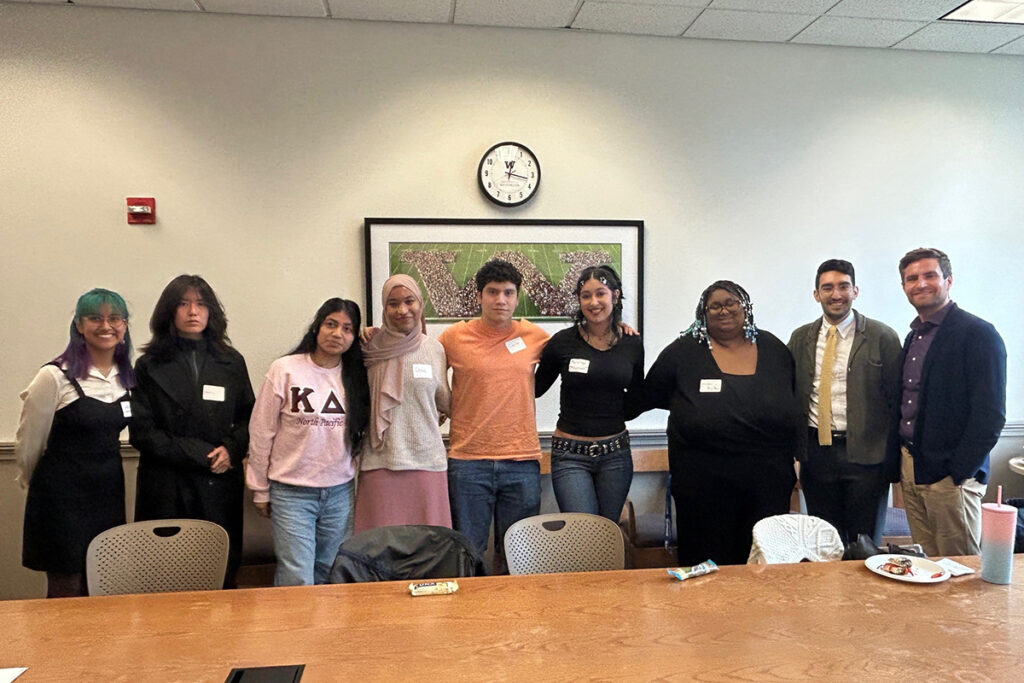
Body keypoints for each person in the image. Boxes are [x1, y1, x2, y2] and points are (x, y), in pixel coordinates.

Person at [642, 280, 803, 566]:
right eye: (714, 305)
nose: (723, 310)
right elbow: (646, 396)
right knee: (706, 564)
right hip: (702, 488)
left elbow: (795, 404)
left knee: (762, 561)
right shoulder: (683, 352)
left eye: (732, 303)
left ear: (746, 308)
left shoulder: (774, 349)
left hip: (767, 485)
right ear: (702, 312)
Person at [130, 274, 254, 588]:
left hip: (218, 481)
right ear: (169, 312)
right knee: (163, 576)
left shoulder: (231, 362)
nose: (193, 312)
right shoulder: (148, 365)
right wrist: (201, 454)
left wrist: (230, 448)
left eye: (200, 304)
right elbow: (142, 432)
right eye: (183, 304)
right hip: (166, 485)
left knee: (219, 575)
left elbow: (250, 419)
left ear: (212, 311)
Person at [16, 288, 135, 598]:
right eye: (95, 318)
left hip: (108, 494)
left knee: (100, 584)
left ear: (125, 327)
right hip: (61, 499)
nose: (106, 326)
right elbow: (29, 443)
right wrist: (38, 488)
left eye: (115, 318)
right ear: (79, 325)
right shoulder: (54, 376)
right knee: (66, 588)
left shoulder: (128, 379)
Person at [891, 248, 1006, 556]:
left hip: (950, 477)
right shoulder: (914, 337)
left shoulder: (978, 334)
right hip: (912, 468)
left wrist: (959, 472)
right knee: (926, 561)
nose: (921, 284)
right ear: (904, 287)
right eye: (911, 278)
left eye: (930, 275)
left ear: (948, 280)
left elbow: (990, 415)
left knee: (961, 570)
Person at [246, 298, 369, 586]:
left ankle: (325, 631)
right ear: (317, 326)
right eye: (331, 324)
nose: (338, 333)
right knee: (296, 576)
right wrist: (259, 489)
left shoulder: (357, 376)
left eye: (348, 328)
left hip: (339, 493)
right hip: (292, 492)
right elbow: (261, 431)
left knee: (330, 570)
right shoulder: (285, 369)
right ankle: (294, 631)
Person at [438, 259, 549, 571]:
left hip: (521, 461)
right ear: (479, 296)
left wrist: (618, 328)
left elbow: (579, 346)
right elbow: (418, 360)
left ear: (517, 297)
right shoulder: (453, 337)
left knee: (519, 554)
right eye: (493, 292)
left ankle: (515, 617)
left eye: (508, 293)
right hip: (467, 462)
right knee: (467, 550)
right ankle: (469, 618)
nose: (501, 300)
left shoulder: (535, 336)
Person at [788, 259, 901, 545]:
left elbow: (896, 400)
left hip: (867, 456)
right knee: (825, 541)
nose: (836, 294)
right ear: (816, 294)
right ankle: (829, 592)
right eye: (827, 287)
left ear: (855, 291)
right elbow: (789, 392)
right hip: (816, 454)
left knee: (864, 543)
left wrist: (892, 460)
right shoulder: (801, 338)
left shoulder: (882, 336)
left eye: (843, 286)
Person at [535, 265, 644, 522]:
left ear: (615, 296)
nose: (593, 302)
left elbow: (637, 396)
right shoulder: (563, 341)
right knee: (584, 534)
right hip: (570, 455)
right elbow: (535, 388)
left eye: (600, 294)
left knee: (608, 532)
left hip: (616, 455)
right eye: (585, 296)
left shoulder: (632, 343)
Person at [353, 275, 452, 533]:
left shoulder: (435, 349)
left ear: (420, 303)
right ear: (384, 308)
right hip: (380, 462)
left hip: (427, 462)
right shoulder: (368, 346)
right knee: (377, 549)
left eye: (409, 301)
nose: (402, 310)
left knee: (428, 548)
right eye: (393, 303)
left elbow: (445, 400)